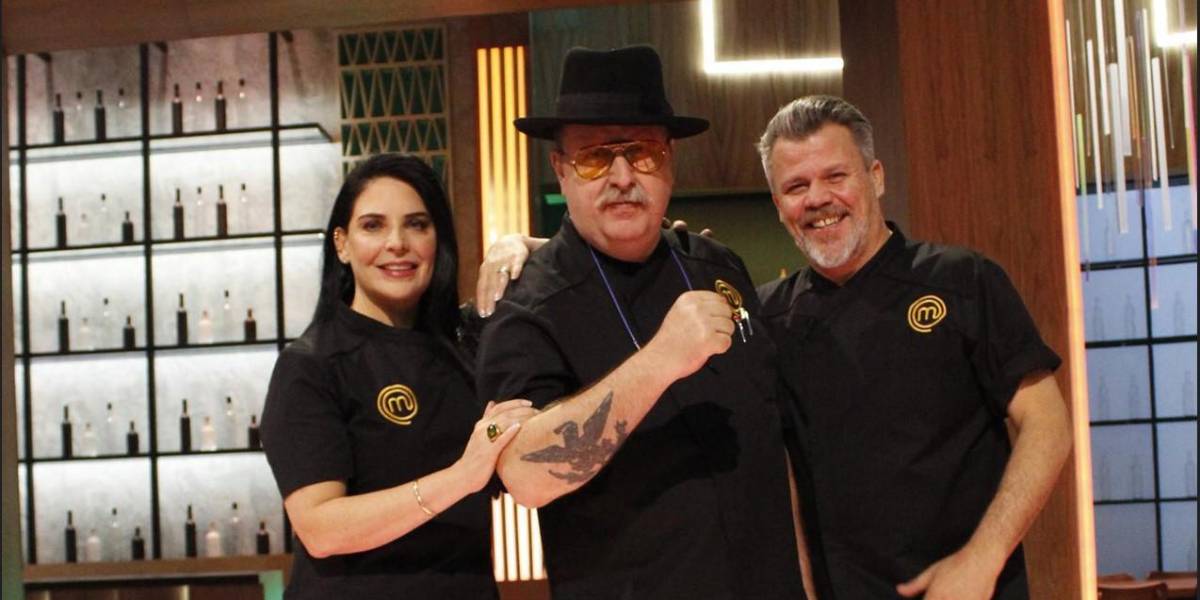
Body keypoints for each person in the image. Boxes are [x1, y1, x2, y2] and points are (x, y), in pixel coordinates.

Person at [474, 45, 808, 599]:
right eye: (594, 157)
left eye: (643, 153)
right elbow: (525, 476)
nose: (623, 176)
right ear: (560, 169)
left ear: (670, 161)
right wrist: (659, 361)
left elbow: (772, 439)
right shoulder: (527, 304)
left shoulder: (717, 265)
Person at [755, 95, 1073, 600]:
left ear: (876, 177)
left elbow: (1047, 425)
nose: (817, 198)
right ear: (778, 206)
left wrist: (984, 556)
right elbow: (781, 475)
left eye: (836, 176)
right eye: (796, 186)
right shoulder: (769, 318)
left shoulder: (962, 280)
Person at [260, 154, 536, 599]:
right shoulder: (312, 364)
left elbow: (583, 263)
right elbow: (321, 529)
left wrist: (520, 244)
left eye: (416, 225)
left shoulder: (467, 343)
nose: (397, 243)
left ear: (437, 239)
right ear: (342, 244)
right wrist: (462, 476)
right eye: (373, 226)